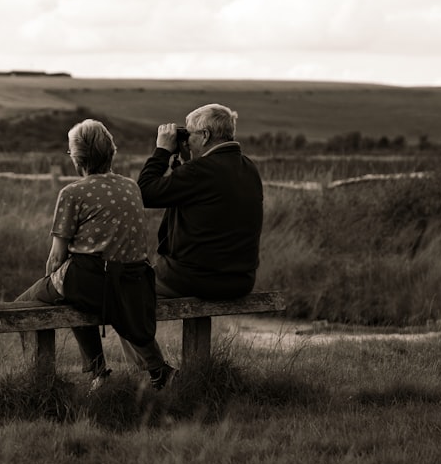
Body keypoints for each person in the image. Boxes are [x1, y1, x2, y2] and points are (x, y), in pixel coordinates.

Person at [16, 119, 176, 391]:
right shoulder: (131, 187)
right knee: (76, 296)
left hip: (91, 282)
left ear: (78, 160)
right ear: (111, 152)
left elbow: (57, 257)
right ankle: (149, 370)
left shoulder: (72, 193)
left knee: (24, 306)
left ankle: (62, 380)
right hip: (132, 283)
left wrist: (50, 283)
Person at [137, 103, 263, 300]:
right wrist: (187, 161)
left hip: (193, 280)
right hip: (241, 281)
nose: (186, 142)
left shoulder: (199, 172)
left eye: (189, 135)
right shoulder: (248, 167)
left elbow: (143, 192)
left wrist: (162, 151)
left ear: (204, 135)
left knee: (125, 287)